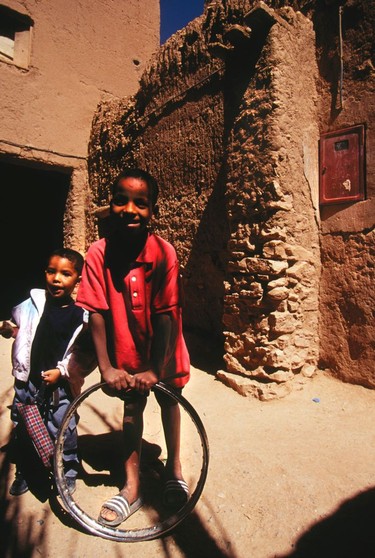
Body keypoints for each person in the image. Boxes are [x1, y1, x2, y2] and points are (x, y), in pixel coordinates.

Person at [76, 167, 191, 527]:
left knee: (169, 401)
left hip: (163, 348)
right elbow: (96, 312)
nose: (130, 210)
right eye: (121, 201)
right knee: (131, 410)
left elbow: (165, 314)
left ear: (152, 211)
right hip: (124, 345)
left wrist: (155, 368)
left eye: (141, 204)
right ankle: (131, 485)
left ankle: (174, 467)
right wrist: (107, 366)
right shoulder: (98, 253)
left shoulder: (163, 252)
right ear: (109, 205)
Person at [0, 247, 94, 497]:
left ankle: (68, 470)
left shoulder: (79, 317)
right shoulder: (32, 304)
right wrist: (11, 330)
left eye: (65, 274)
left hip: (59, 387)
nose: (56, 279)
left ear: (78, 279)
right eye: (51, 272)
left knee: (63, 428)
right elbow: (24, 330)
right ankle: (27, 470)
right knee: (24, 426)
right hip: (27, 381)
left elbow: (84, 355)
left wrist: (62, 371)